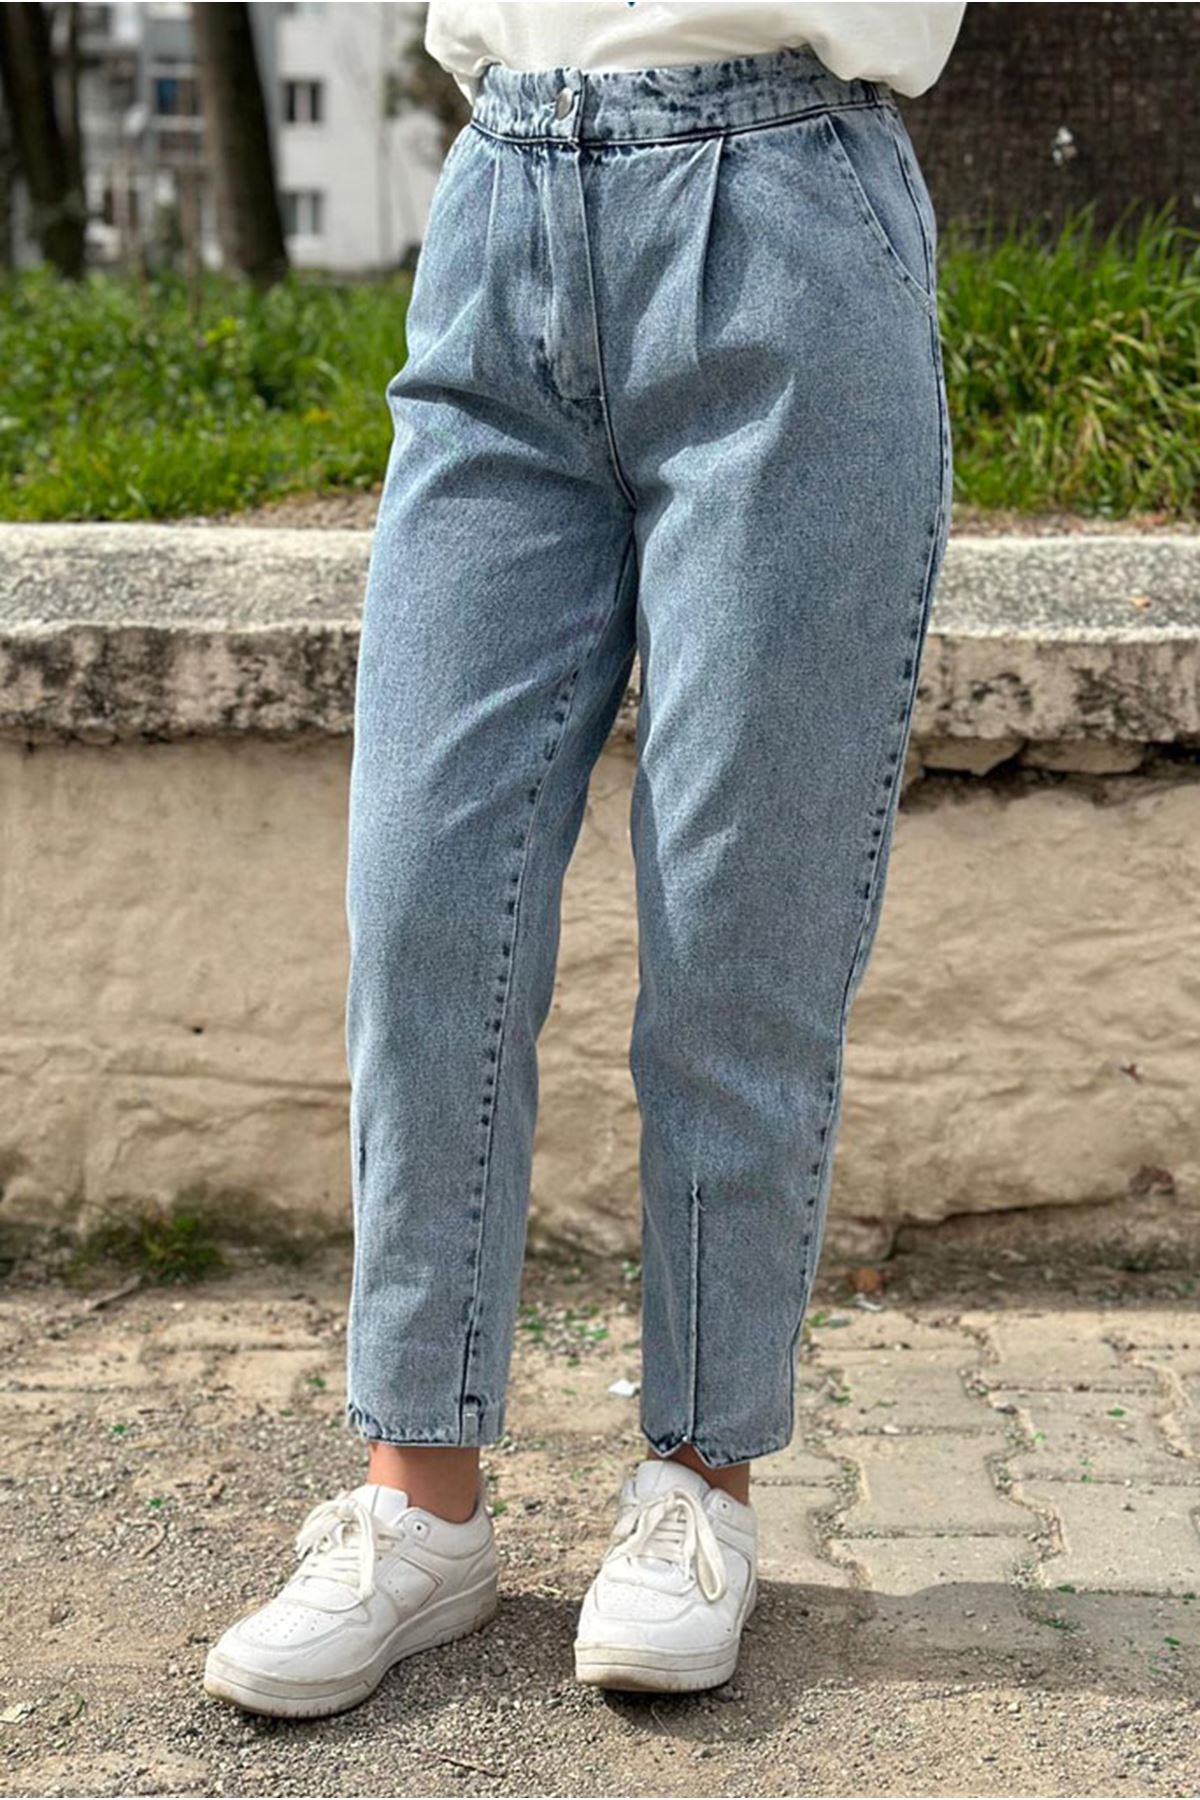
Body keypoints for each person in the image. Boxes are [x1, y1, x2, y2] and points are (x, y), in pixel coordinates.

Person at [204, 0, 965, 1716]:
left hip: (785, 207)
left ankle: (698, 1483)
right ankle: (421, 1509)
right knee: (422, 897)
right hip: (503, 201)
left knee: (735, 926)